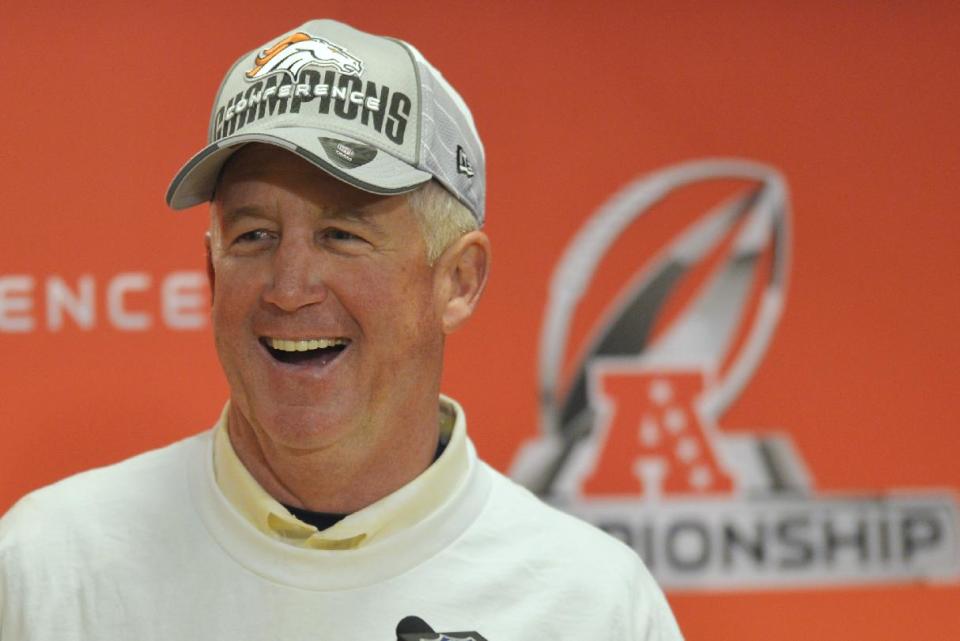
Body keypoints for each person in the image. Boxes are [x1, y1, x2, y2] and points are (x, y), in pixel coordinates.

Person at [0, 19, 683, 640]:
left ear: (458, 279)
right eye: (254, 234)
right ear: (211, 273)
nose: (289, 287)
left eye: (342, 233)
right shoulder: (50, 568)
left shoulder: (593, 606)